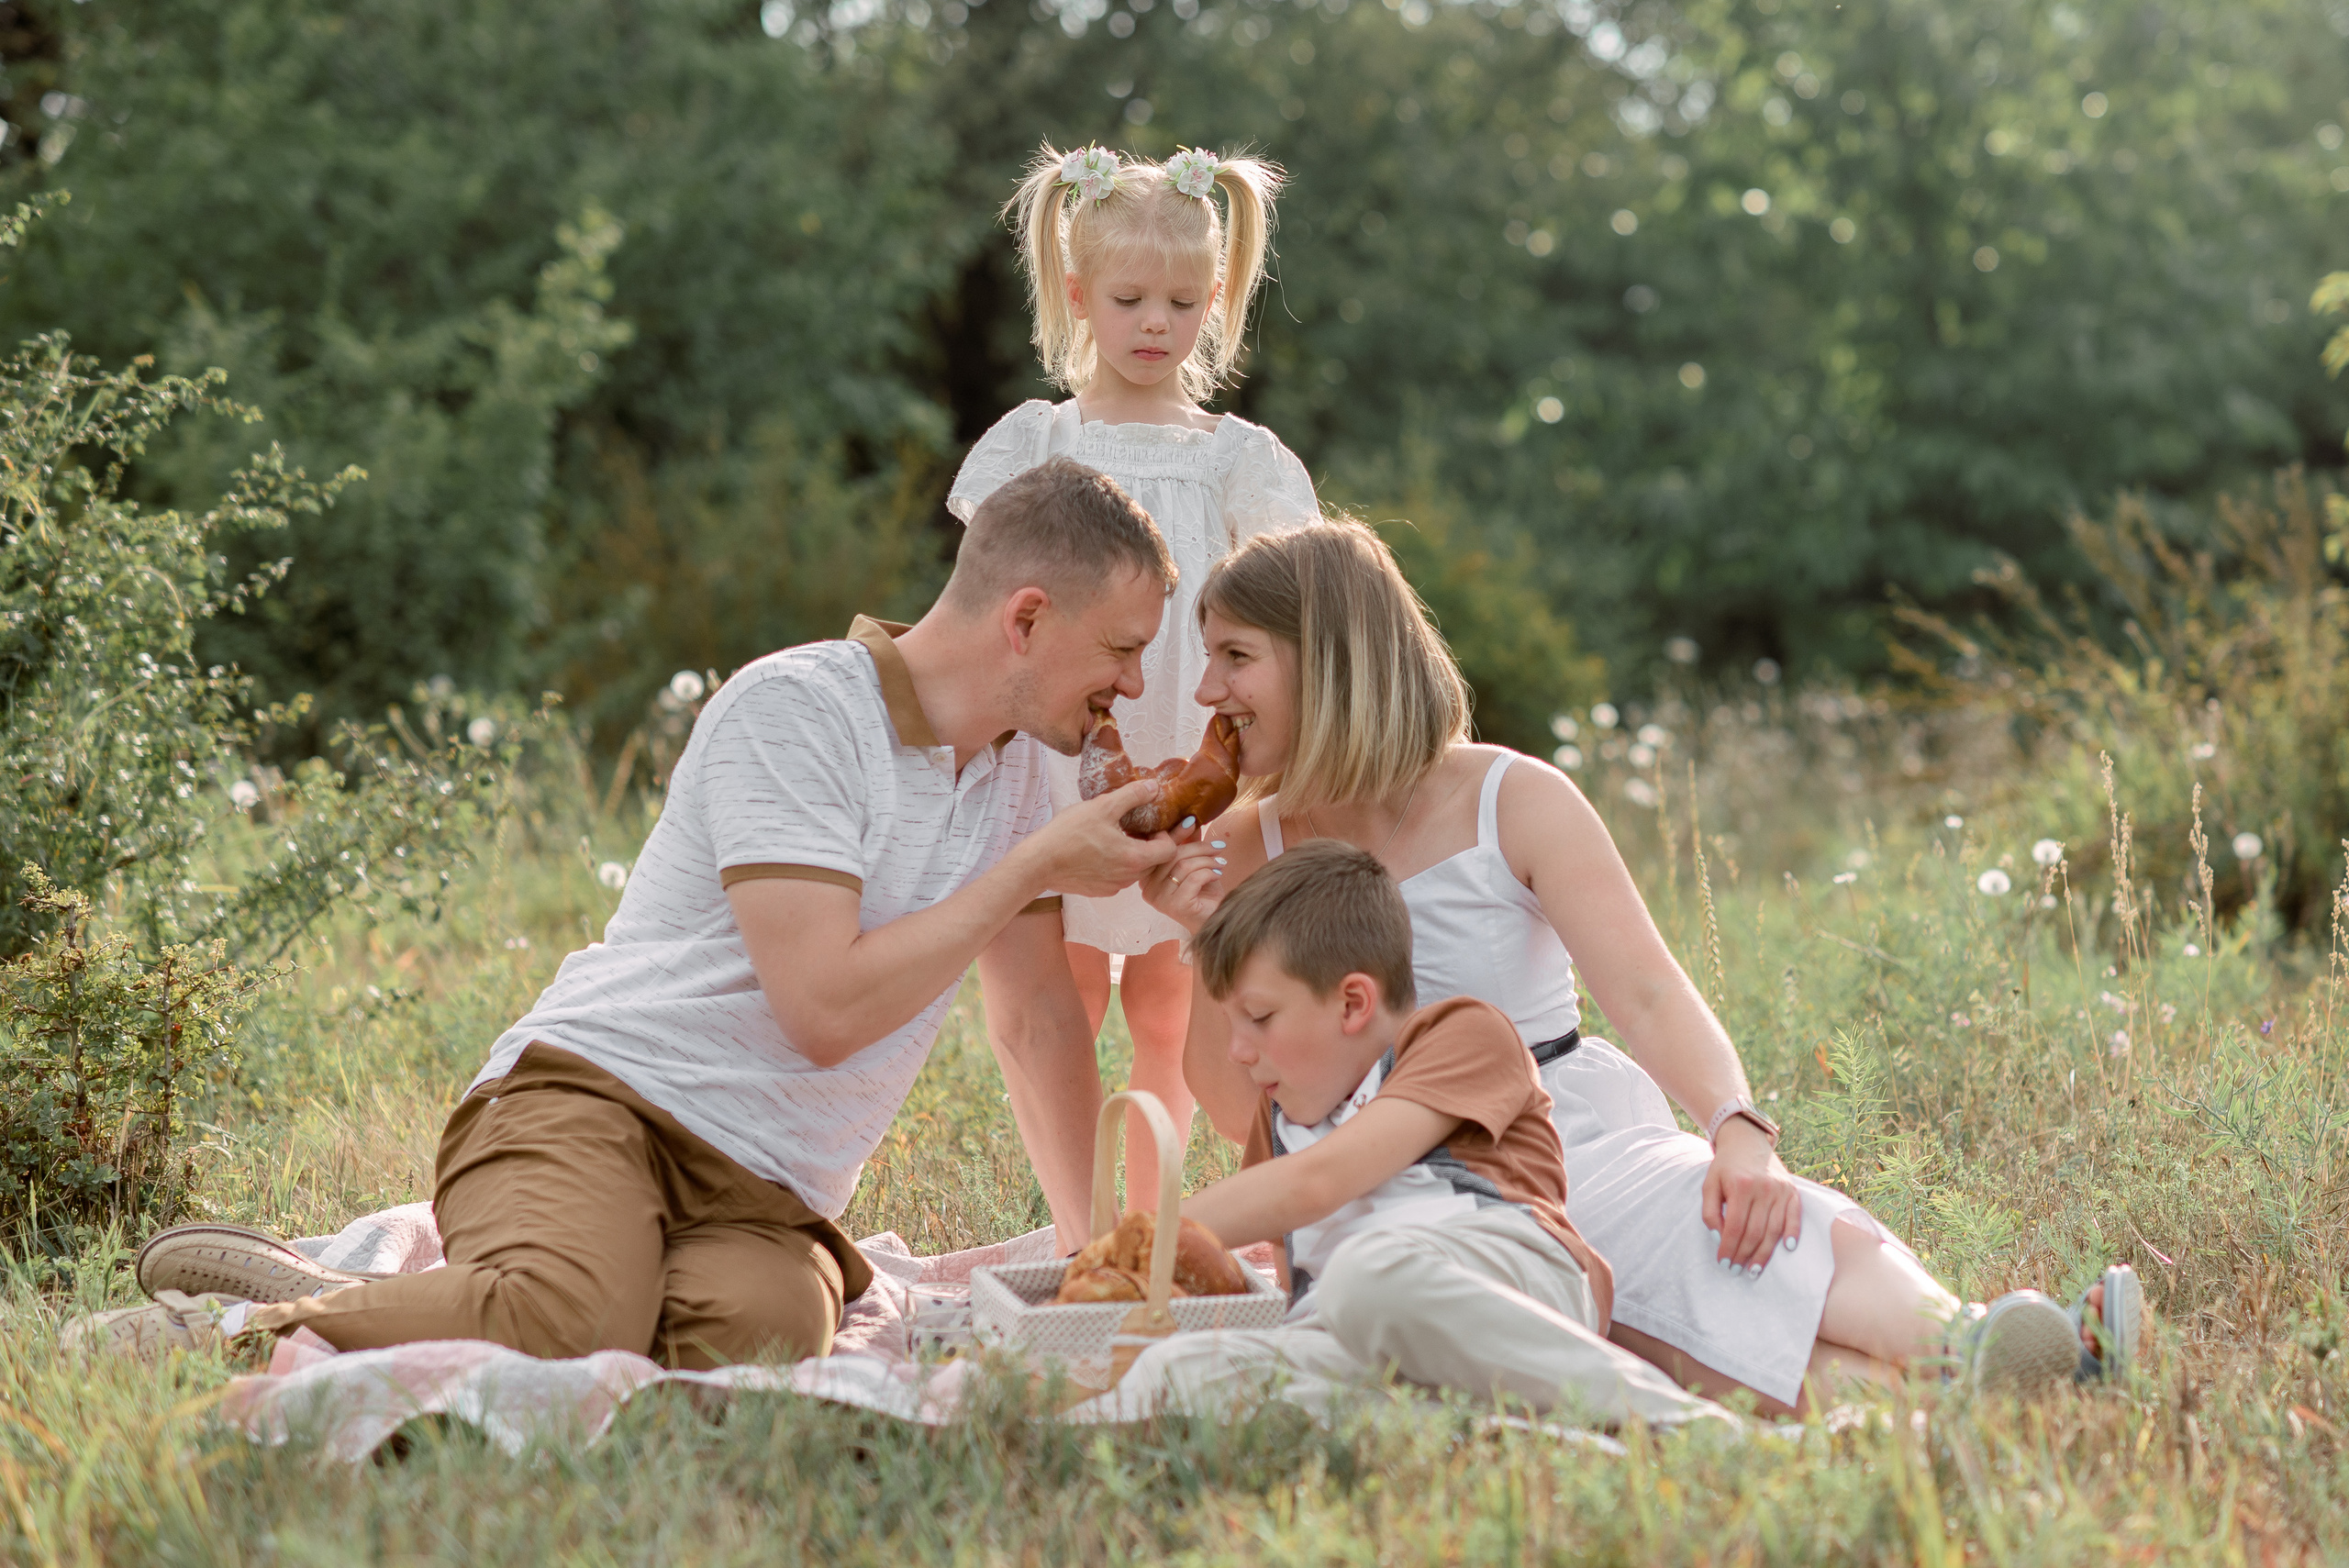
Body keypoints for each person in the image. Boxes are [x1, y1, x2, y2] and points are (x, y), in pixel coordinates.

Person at [74, 459, 1186, 1369]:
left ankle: (430, 1294)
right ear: (1027, 618)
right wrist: (1035, 863)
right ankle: (224, 1327)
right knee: (570, 1319)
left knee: (760, 1339)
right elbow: (822, 1007)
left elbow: (1039, 1020)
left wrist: (1099, 1265)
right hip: (601, 1096)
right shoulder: (799, 709)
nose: (1135, 686)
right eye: (1123, 648)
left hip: (768, 1189)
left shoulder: (1031, 780)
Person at [1142, 521, 2143, 1410]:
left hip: (1566, 1124)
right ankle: (1941, 1405)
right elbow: (1246, 1113)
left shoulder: (1509, 798)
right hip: (1396, 1176)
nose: (1206, 690)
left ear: (1331, 659)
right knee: (1639, 1336)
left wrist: (1736, 1128)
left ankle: (1972, 1342)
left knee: (1712, 1221)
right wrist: (1202, 938)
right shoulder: (1239, 845)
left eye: (1236, 655)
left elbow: (1648, 988)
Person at [949, 142, 1320, 1173]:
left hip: (1186, 752)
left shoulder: (1234, 458)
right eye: (1128, 299)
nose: (1155, 323)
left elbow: (1288, 602)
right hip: (1059, 756)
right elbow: (988, 603)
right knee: (1055, 988)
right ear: (1077, 295)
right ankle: (1080, 1207)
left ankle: (1151, 1210)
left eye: (1182, 301)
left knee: (1168, 995)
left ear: (1218, 300)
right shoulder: (1037, 442)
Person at [1129, 838, 1732, 1428]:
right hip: (1360, 1324)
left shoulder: (1458, 1034)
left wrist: (1131, 1245)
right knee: (1178, 1370)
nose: (1237, 1050)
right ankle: (1515, 1435)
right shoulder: (1281, 1119)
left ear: (1352, 1003)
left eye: (1259, 1018)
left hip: (1502, 1278)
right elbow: (1293, 1273)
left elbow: (1319, 1181)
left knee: (1365, 1276)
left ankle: (1686, 1425)